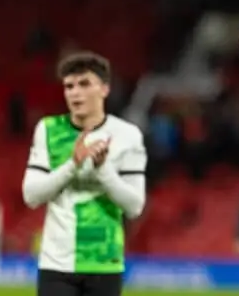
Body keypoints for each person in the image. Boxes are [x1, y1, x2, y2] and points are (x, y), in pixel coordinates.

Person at [22, 52, 148, 296]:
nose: (74, 92)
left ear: (104, 89)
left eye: (84, 84)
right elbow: (31, 195)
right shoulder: (48, 130)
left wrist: (103, 170)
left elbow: (134, 206)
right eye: (69, 86)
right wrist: (73, 165)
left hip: (105, 262)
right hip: (55, 264)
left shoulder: (127, 135)